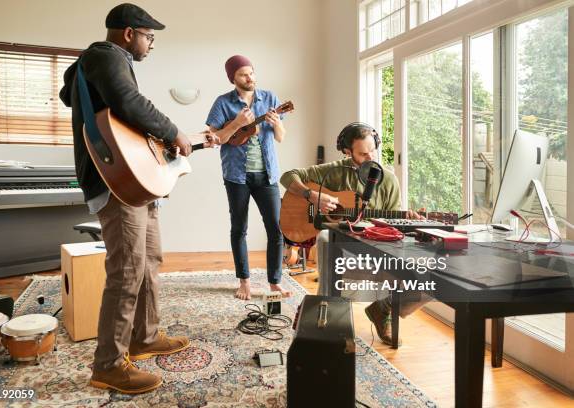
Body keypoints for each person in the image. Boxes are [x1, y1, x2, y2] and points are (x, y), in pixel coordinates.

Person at [60, 3, 216, 394]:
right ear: (129, 33)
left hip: (132, 180)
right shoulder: (106, 55)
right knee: (127, 270)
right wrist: (174, 131)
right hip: (115, 184)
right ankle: (108, 365)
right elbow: (129, 102)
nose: (150, 45)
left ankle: (144, 337)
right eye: (149, 37)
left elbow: (110, 109)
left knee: (149, 259)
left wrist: (180, 141)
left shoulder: (96, 64)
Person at [280, 122, 427, 347]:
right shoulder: (334, 172)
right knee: (326, 238)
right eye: (362, 154)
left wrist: (408, 221)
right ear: (348, 152)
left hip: (376, 248)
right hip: (344, 247)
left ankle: (382, 309)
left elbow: (392, 225)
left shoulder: (388, 180)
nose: (370, 158)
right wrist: (312, 196)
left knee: (428, 280)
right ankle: (326, 314)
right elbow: (288, 176)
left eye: (372, 151)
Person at [206, 55, 291, 300]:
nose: (250, 77)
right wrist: (236, 123)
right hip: (237, 176)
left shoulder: (270, 99)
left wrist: (276, 123)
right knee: (239, 228)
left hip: (267, 174)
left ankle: (274, 282)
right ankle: (244, 282)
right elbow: (215, 139)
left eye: (252, 72)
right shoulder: (223, 103)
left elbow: (280, 137)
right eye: (244, 74)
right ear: (233, 78)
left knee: (275, 229)